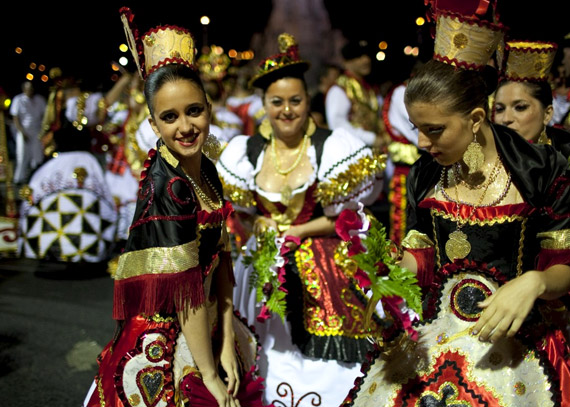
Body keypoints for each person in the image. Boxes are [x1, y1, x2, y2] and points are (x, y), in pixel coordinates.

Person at [342, 8, 570, 407]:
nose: (423, 144)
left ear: (476, 118)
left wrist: (533, 283)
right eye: (418, 129)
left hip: (519, 342)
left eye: (435, 130)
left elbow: (563, 268)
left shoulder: (541, 170)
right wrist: (388, 268)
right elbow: (422, 260)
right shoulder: (425, 175)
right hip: (441, 336)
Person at [83, 8, 268, 407]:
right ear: (153, 125)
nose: (185, 126)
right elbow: (185, 298)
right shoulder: (169, 188)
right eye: (170, 117)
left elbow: (220, 257)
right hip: (169, 330)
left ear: (208, 108)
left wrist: (224, 338)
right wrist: (210, 375)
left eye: (194, 111)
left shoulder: (208, 171)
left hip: (207, 319)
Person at [216, 33, 386, 407]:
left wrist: (301, 230)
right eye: (277, 102)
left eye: (296, 101)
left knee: (325, 367)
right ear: (264, 104)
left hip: (322, 260)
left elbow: (348, 218)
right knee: (259, 352)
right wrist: (255, 225)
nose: (287, 110)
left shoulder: (332, 146)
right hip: (259, 266)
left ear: (309, 101)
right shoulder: (245, 151)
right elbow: (240, 214)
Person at [493, 40, 570, 157]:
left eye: (520, 107)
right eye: (499, 109)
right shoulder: (484, 164)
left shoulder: (564, 157)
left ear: (547, 114)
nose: (506, 119)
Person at [382, 61, 424, 245]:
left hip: (420, 165)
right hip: (406, 168)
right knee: (403, 220)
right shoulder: (402, 93)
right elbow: (416, 134)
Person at [325, 39, 388, 150]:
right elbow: (337, 125)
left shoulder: (368, 87)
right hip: (352, 155)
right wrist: (371, 138)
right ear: (346, 63)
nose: (366, 60)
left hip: (372, 152)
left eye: (367, 55)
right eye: (358, 57)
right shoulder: (339, 89)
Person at [9, 81, 46, 185]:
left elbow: (44, 116)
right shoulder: (18, 100)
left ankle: (36, 177)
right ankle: (19, 179)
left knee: (37, 155)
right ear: (24, 89)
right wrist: (22, 132)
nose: (30, 91)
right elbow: (16, 118)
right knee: (22, 155)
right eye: (28, 89)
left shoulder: (39, 100)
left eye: (32, 89)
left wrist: (43, 130)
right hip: (24, 130)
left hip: (37, 131)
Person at [310, 63, 341, 129]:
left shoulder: (336, 97)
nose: (339, 81)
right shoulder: (318, 100)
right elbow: (316, 124)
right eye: (335, 77)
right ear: (323, 79)